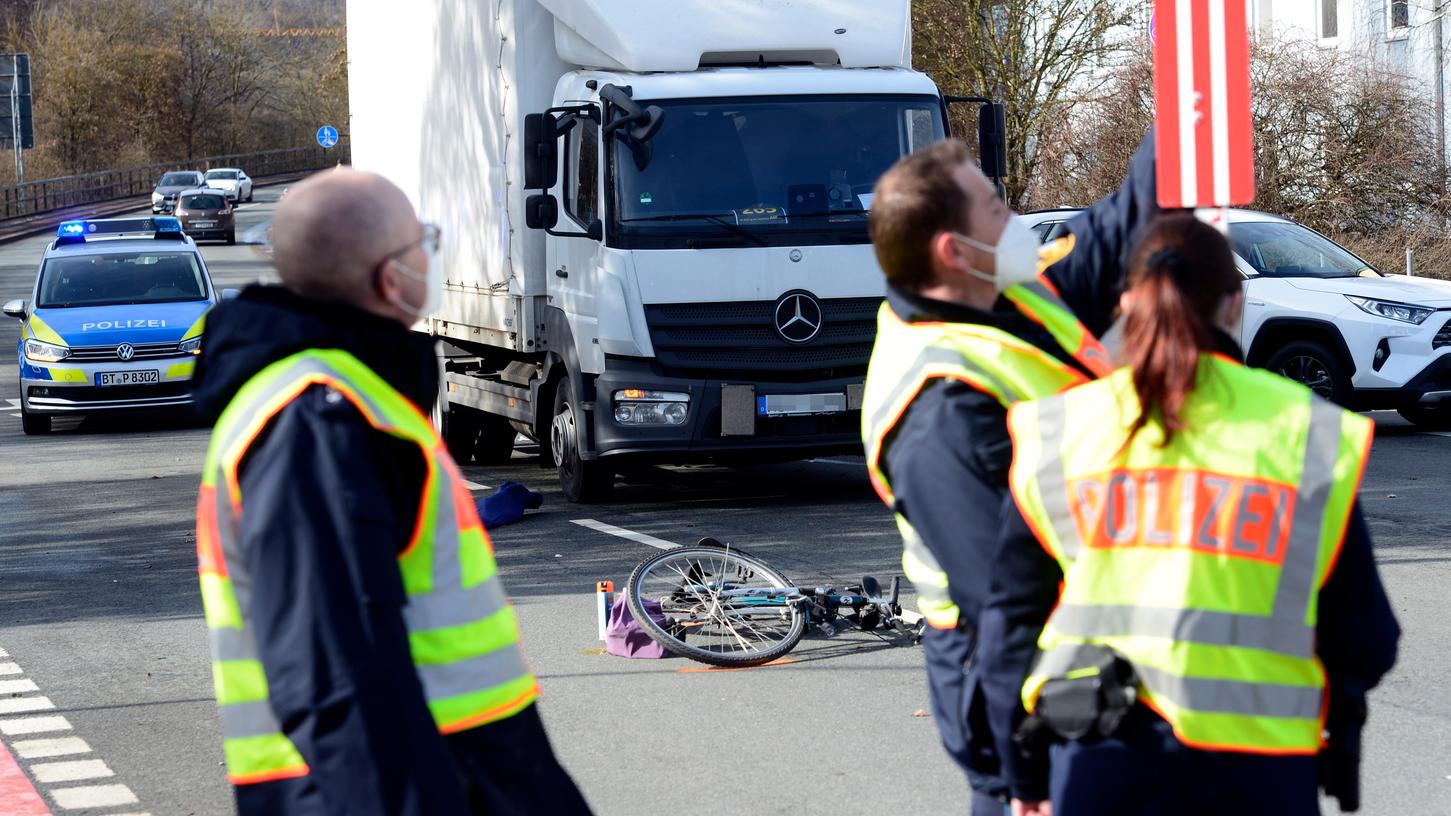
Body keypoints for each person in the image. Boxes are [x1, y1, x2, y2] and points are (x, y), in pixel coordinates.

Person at [191, 169, 593, 815]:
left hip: (468, 774)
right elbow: (337, 679)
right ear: (388, 277)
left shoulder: (348, 400)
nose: (430, 254)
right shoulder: (318, 420)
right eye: (421, 241)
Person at [994, 214, 1400, 815]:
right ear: (1235, 304)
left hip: (1101, 761)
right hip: (1261, 775)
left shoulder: (1060, 429)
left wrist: (1024, 776)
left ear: (1128, 302)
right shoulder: (1307, 432)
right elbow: (1366, 637)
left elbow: (1009, 625)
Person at [860, 133, 1157, 812]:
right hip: (1007, 673)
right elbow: (1001, 602)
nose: (1013, 218)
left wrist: (1189, 106)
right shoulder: (939, 412)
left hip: (1081, 635)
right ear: (952, 252)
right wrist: (1027, 756)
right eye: (994, 207)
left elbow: (1120, 221)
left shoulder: (1007, 295)